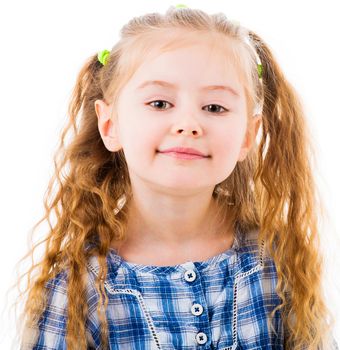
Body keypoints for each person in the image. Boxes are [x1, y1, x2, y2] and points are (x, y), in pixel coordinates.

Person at [13, 4, 339, 350]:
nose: (188, 123)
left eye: (214, 107)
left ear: (248, 134)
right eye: (159, 103)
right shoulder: (79, 287)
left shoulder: (277, 261)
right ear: (110, 125)